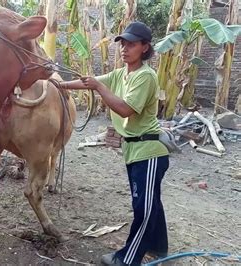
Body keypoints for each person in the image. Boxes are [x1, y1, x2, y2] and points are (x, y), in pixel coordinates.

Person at [59, 21, 170, 266]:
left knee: (144, 208)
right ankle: (160, 249)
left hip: (149, 151)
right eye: (123, 44)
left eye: (131, 44)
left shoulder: (145, 76)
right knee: (149, 202)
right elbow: (88, 81)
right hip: (134, 149)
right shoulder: (121, 74)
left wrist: (99, 86)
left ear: (144, 47)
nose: (124, 49)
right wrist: (57, 83)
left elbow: (125, 109)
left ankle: (127, 260)